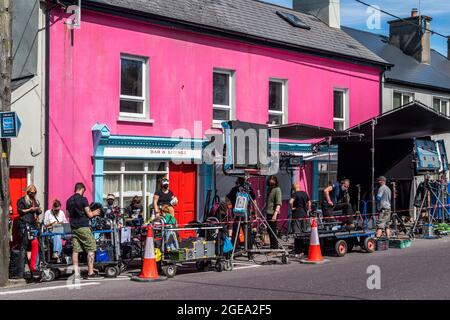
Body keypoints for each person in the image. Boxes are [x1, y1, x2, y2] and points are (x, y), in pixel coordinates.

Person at [66, 182, 101, 280]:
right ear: (82, 189)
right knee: (91, 247)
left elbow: (68, 215)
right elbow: (89, 214)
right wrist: (94, 213)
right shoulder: (83, 199)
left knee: (76, 250)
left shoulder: (68, 200)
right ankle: (90, 273)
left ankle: (76, 274)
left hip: (73, 227)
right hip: (83, 227)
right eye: (83, 191)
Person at [17, 185, 42, 278]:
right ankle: (20, 271)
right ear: (27, 192)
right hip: (24, 225)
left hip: (33, 226)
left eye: (34, 193)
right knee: (24, 247)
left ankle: (33, 267)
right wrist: (30, 209)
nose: (33, 194)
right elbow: (20, 211)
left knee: (34, 245)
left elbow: (38, 212)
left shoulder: (35, 201)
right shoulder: (22, 200)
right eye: (31, 193)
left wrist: (38, 210)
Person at [226, 177, 256, 250]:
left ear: (238, 182)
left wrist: (230, 205)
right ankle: (249, 252)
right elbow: (254, 200)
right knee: (247, 232)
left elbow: (227, 198)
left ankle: (234, 250)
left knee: (236, 232)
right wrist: (254, 212)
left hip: (237, 214)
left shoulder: (234, 189)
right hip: (245, 214)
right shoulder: (248, 189)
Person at [289, 183, 311, 258]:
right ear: (299, 187)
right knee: (304, 233)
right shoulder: (304, 193)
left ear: (293, 188)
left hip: (297, 215)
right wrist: (307, 209)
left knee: (297, 234)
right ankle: (304, 250)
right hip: (304, 216)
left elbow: (290, 202)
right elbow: (309, 203)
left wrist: (292, 208)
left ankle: (299, 251)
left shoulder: (295, 194)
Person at [265, 175, 282, 251]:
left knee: (273, 231)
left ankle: (274, 248)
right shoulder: (269, 189)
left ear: (275, 181)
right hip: (268, 213)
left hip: (273, 213)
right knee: (269, 230)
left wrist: (275, 215)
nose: (271, 182)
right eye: (270, 180)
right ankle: (272, 247)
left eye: (272, 180)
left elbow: (278, 203)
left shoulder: (277, 189)